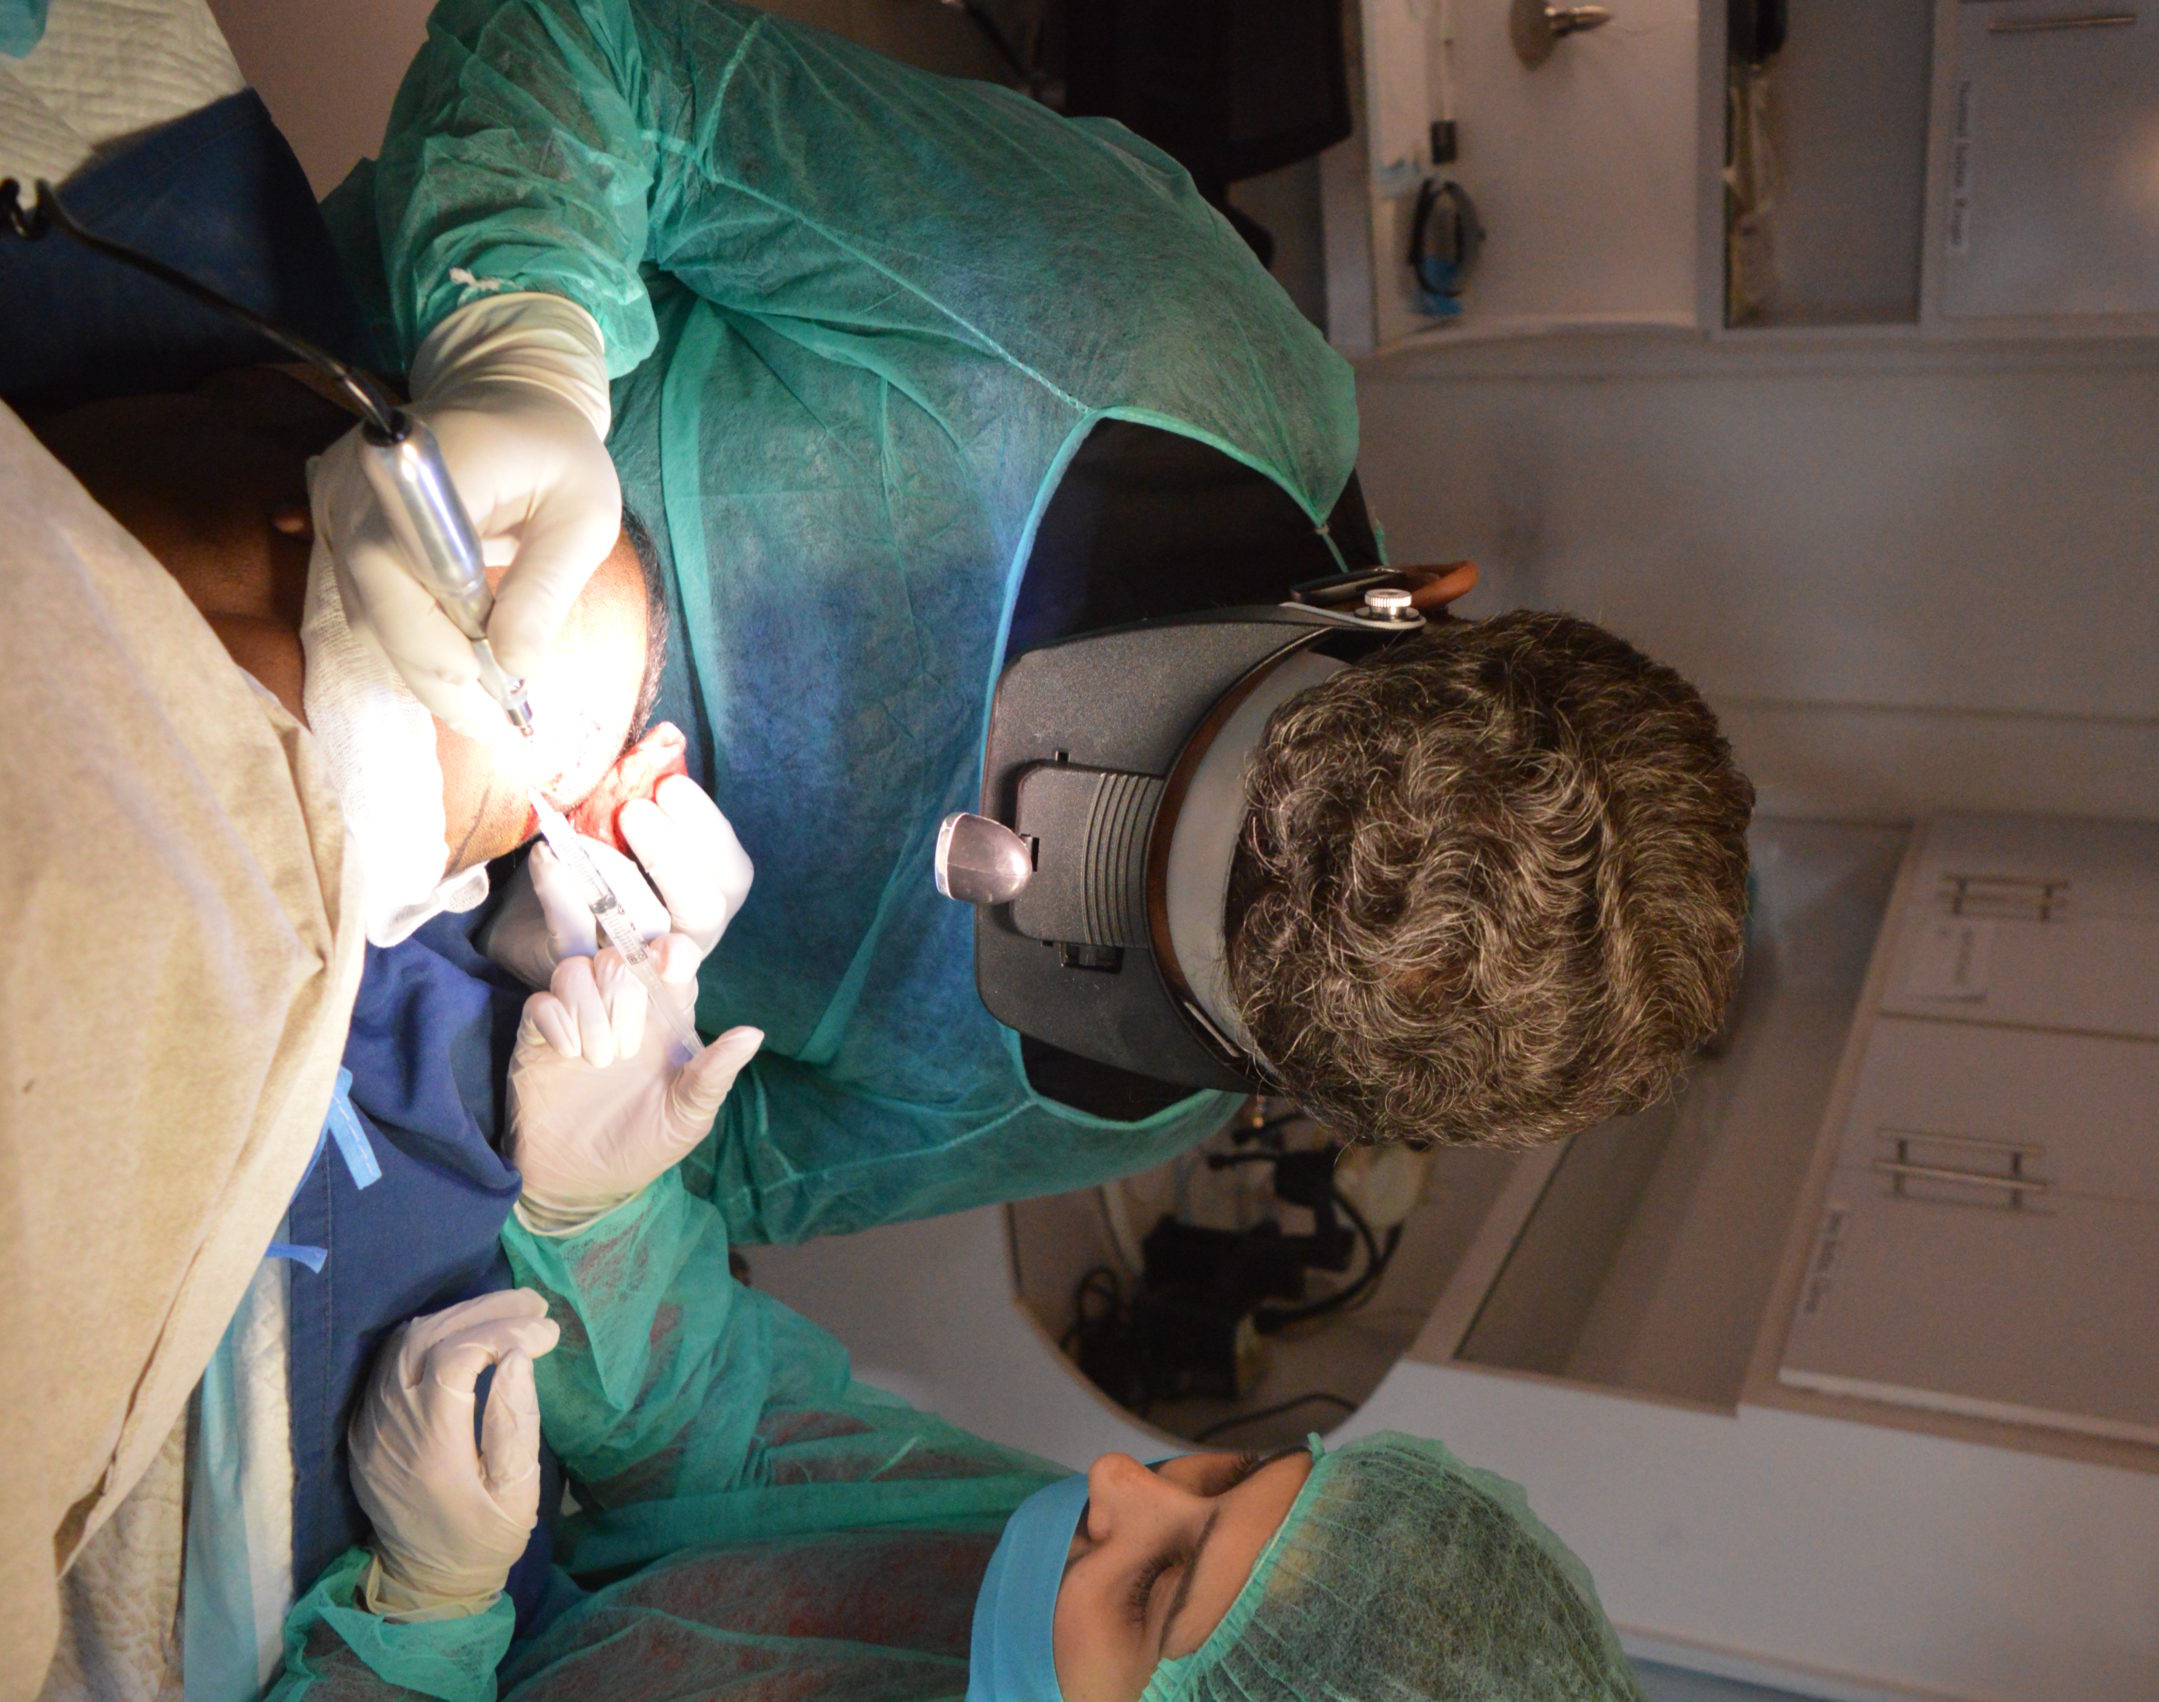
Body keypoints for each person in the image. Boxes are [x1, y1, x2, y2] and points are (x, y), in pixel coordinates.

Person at [318, 0, 1756, 1249]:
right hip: (308, 393)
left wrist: (594, 1156)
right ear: (1407, 601)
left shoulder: (1113, 1100)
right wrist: (516, 343)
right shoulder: (1157, 344)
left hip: (355, 963)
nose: (1007, 854)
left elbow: (715, 1188)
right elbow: (595, 56)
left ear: (1275, 1080)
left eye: (1177, 954)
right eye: (1191, 755)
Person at [262, 941, 1649, 1699]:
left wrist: (421, 1622)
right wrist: (603, 1216)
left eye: (1159, 1589)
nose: (1118, 1483)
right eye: (1221, 1476)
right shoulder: (1036, 1582)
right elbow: (742, 1452)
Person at [15, 361, 763, 1700]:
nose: (526, 743)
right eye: (509, 648)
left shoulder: (445, 1005)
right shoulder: (200, 583)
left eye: (570, 753)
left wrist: (426, 1604)